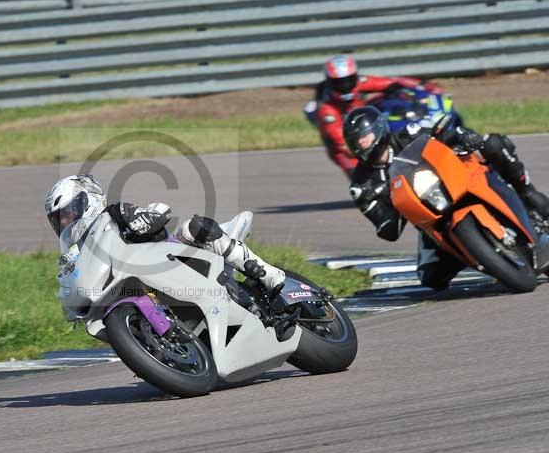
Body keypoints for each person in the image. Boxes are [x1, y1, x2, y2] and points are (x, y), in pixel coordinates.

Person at [343, 106, 549, 289]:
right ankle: (477, 252)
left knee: (492, 143)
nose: (361, 145)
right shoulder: (362, 184)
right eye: (355, 143)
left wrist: (461, 136)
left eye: (363, 138)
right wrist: (389, 202)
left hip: (454, 180)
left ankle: (527, 192)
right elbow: (387, 229)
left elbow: (439, 137)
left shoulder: (407, 134)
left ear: (378, 130)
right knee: (431, 278)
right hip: (429, 218)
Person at [45, 174, 286, 292]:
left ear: (87, 201)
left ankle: (266, 272)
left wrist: (146, 218)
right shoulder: (80, 253)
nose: (65, 222)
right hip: (146, 285)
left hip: (181, 259)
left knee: (192, 228)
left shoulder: (115, 213)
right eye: (59, 219)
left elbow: (160, 211)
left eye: (67, 213)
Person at [304, 54, 440, 177]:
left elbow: (390, 83)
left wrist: (413, 89)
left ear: (355, 76)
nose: (345, 86)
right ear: (330, 82)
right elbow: (341, 141)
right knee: (362, 175)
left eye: (348, 80)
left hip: (365, 126)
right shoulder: (326, 110)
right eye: (339, 83)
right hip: (345, 147)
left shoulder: (360, 83)